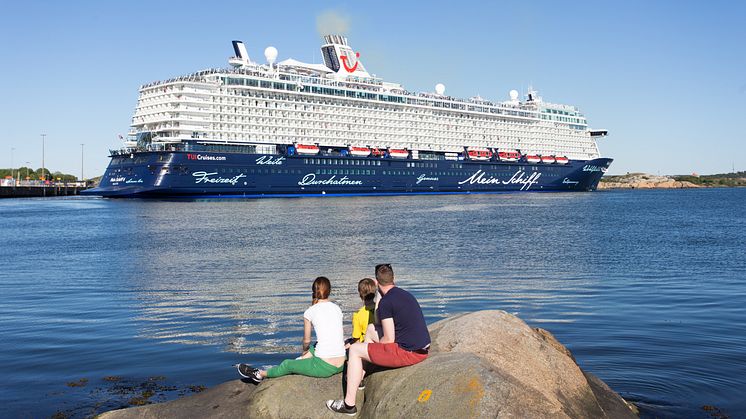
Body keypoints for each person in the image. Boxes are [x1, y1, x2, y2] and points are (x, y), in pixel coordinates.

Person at [327, 264, 431, 415]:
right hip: (421, 347)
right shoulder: (405, 294)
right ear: (393, 278)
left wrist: (373, 351)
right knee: (370, 329)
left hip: (409, 352)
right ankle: (360, 376)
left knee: (355, 350)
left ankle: (348, 405)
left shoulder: (386, 303)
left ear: (376, 282)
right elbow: (379, 326)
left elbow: (388, 339)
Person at [237, 276, 346, 383]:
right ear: (329, 291)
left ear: (313, 291)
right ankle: (303, 360)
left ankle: (260, 374)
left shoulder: (310, 311)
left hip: (325, 366)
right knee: (317, 345)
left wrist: (304, 351)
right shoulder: (337, 308)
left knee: (287, 364)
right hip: (341, 363)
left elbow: (306, 341)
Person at [350, 278, 377, 344]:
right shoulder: (380, 308)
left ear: (360, 294)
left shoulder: (358, 314)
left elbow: (356, 338)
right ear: (375, 292)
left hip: (366, 344)